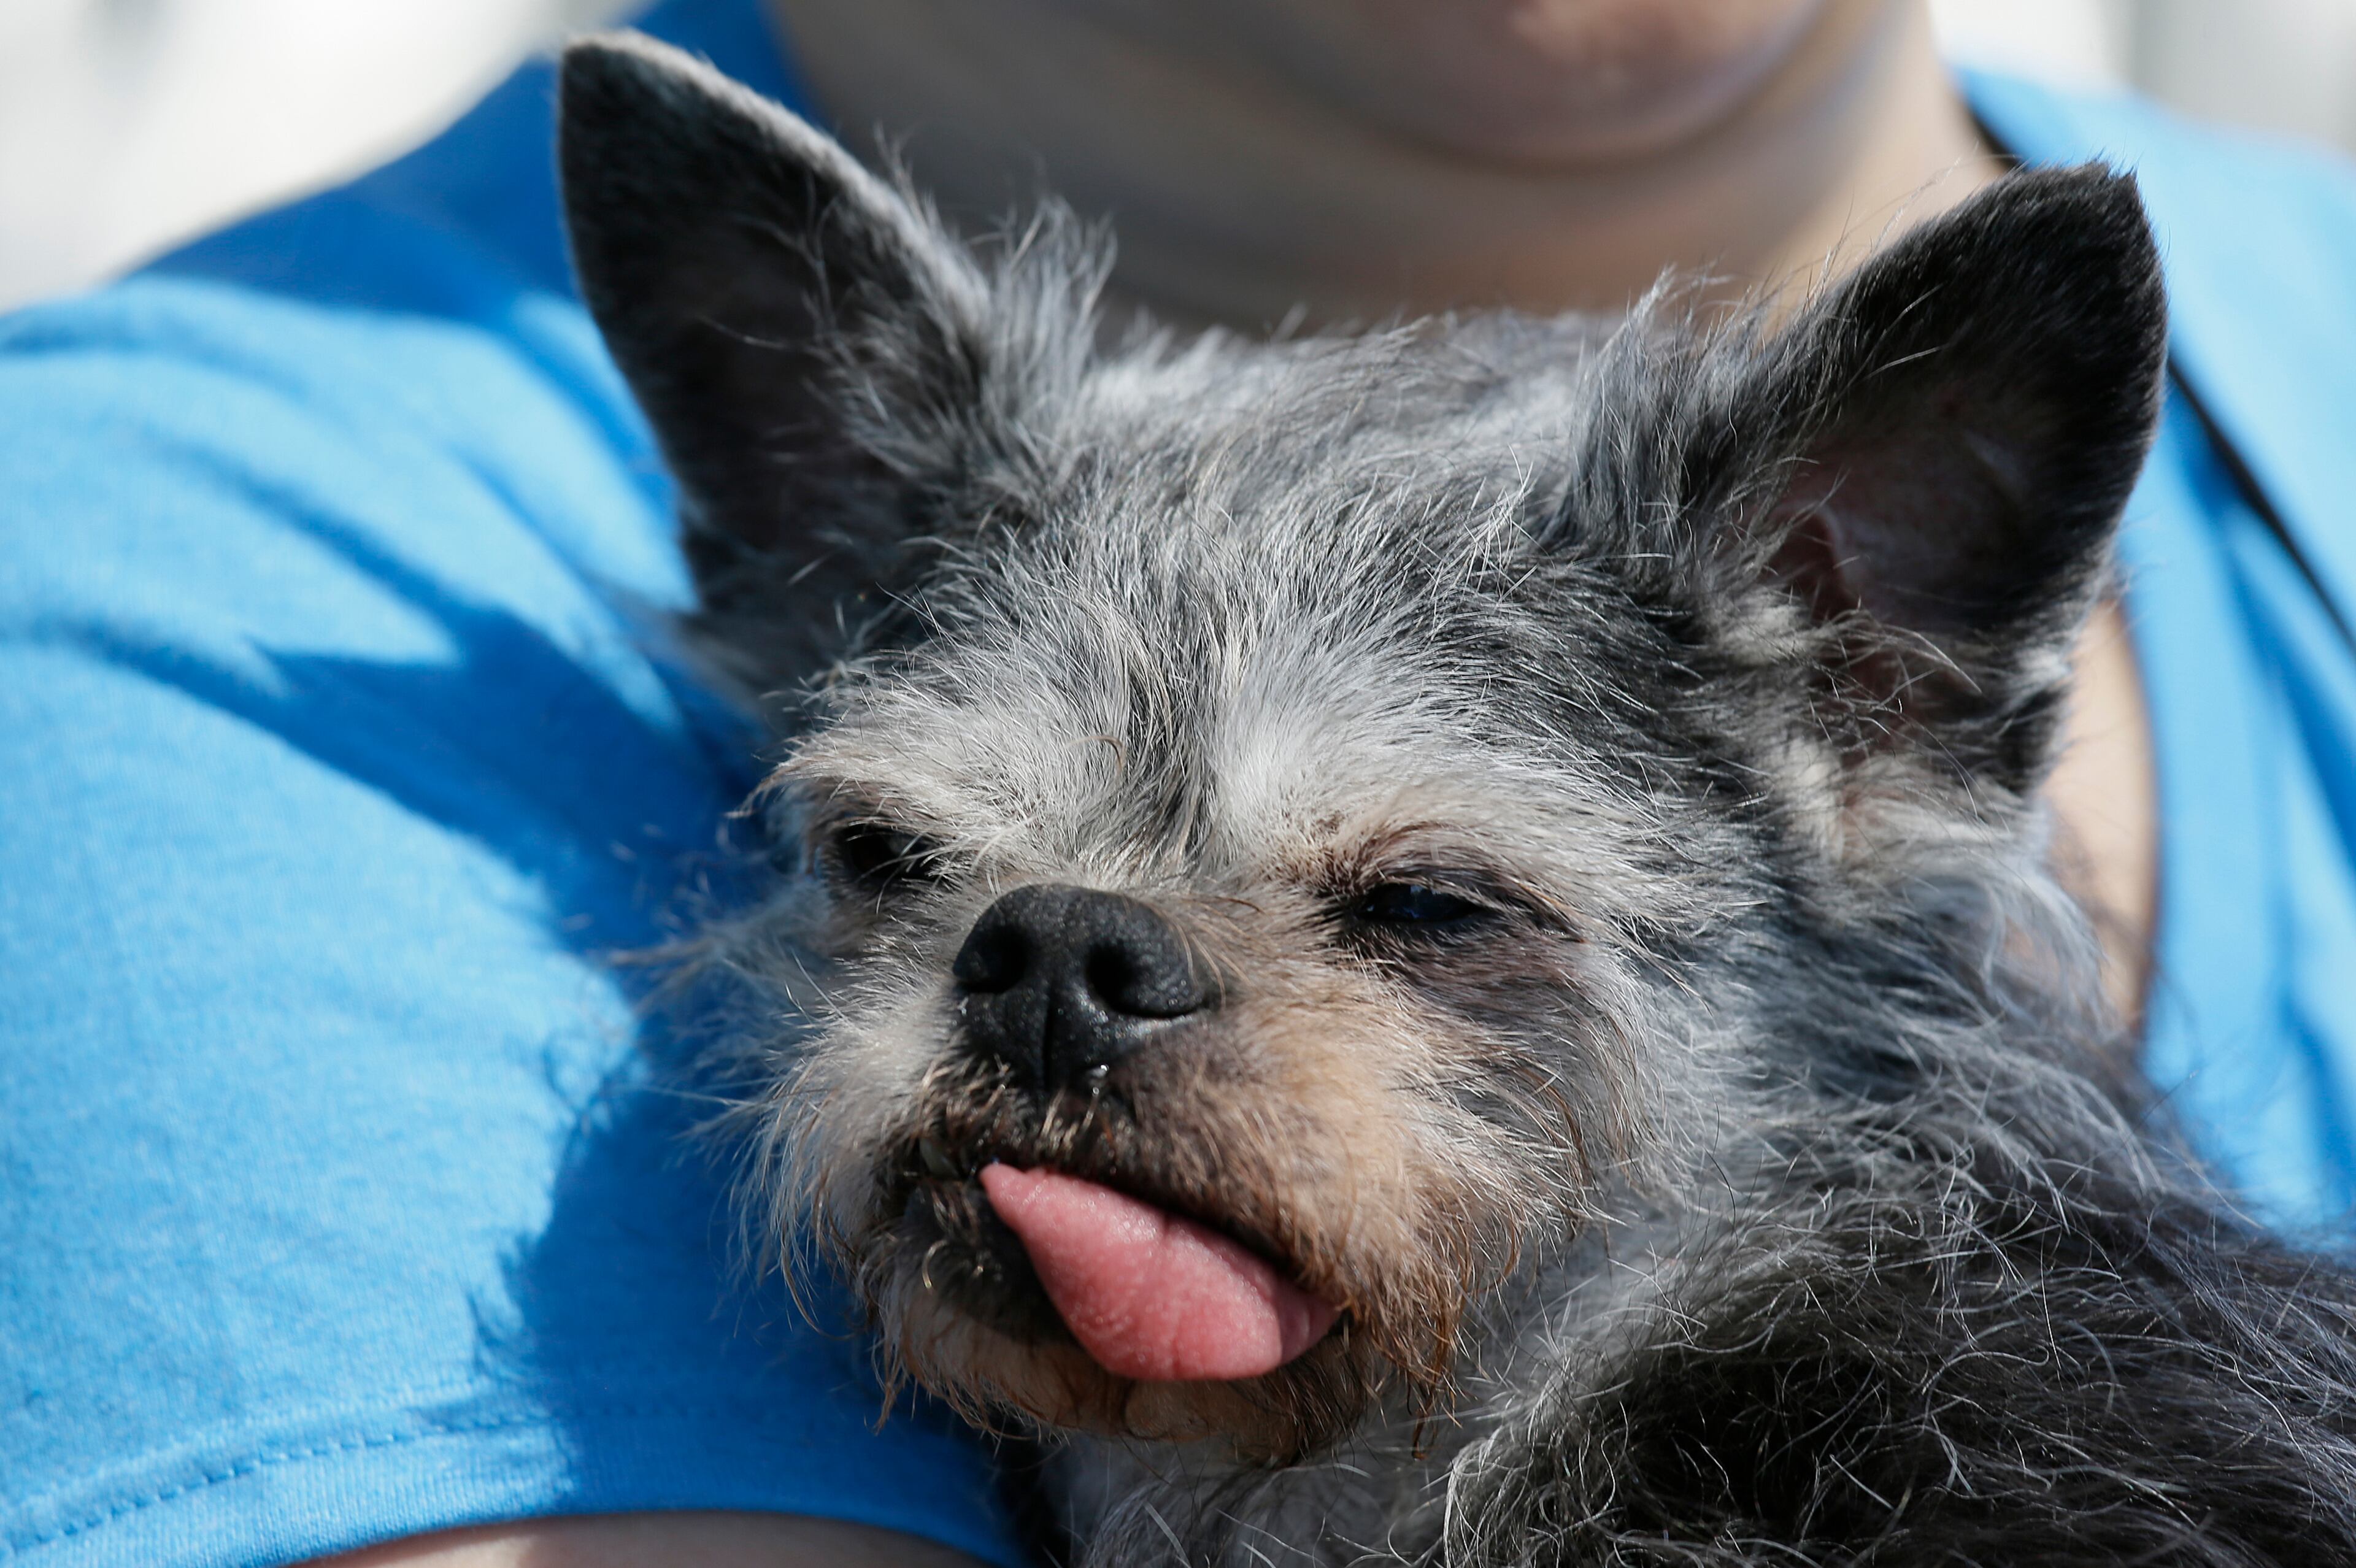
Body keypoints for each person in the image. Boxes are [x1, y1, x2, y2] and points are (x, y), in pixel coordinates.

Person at [4, 1, 2354, 1564]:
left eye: (1431, 911)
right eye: (903, 864)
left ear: (1884, 690)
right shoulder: (177, 582)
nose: (1063, 978)